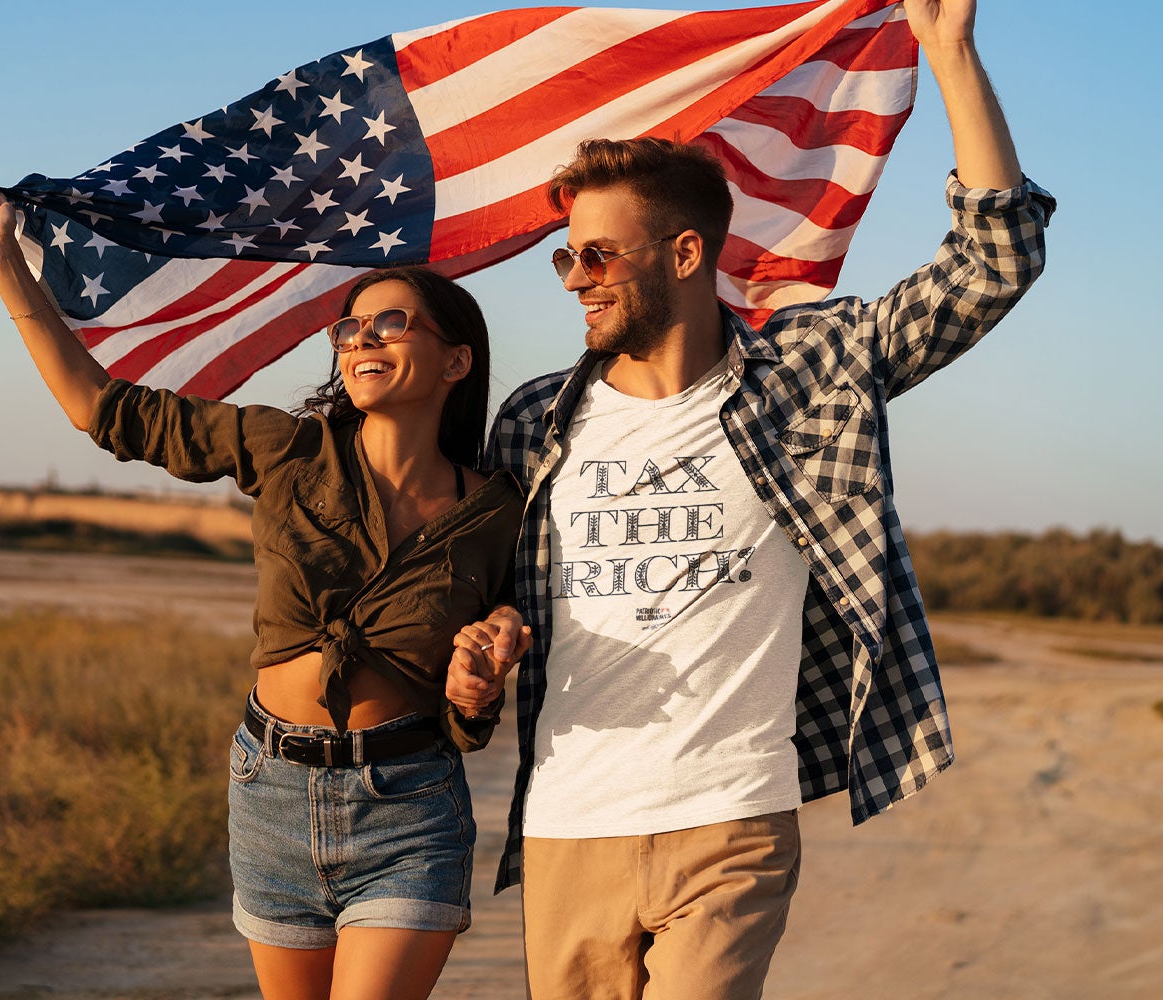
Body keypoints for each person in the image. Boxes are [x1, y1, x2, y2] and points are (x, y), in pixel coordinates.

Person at [444, 0, 1055, 995]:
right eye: (566, 255)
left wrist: (945, 51)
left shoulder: (805, 371)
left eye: (596, 254)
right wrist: (470, 683)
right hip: (567, 822)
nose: (573, 280)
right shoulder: (528, 423)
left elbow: (990, 266)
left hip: (730, 816)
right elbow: (484, 615)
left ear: (684, 256)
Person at [0, 183, 530, 999]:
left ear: (456, 360)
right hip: (272, 793)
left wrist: (475, 687)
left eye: (392, 322)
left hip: (408, 806)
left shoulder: (496, 513)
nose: (362, 337)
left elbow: (474, 716)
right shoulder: (289, 450)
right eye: (350, 327)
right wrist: (1, 257)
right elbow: (102, 409)